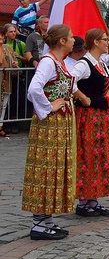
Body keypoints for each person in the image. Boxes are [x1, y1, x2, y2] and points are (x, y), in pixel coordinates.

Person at [22, 24, 89, 240]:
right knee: (47, 167)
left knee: (56, 167)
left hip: (59, 125)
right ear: (61, 41)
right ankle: (39, 223)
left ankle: (46, 219)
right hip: (50, 126)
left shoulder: (58, 61)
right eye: (70, 37)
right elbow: (34, 88)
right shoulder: (48, 62)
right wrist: (49, 106)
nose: (73, 40)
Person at [71, 29, 109, 217]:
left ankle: (93, 198)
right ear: (96, 42)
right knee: (87, 156)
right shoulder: (84, 64)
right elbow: (69, 81)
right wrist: (84, 98)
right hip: (88, 117)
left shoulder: (101, 64)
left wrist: (108, 97)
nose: (108, 43)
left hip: (100, 117)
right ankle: (83, 201)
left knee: (98, 156)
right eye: (105, 40)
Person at [0, 26, 19, 138]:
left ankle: (0, 127)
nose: (1, 37)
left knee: (3, 106)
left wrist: (15, 65)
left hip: (6, 81)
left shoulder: (7, 48)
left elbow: (14, 63)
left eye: (2, 35)